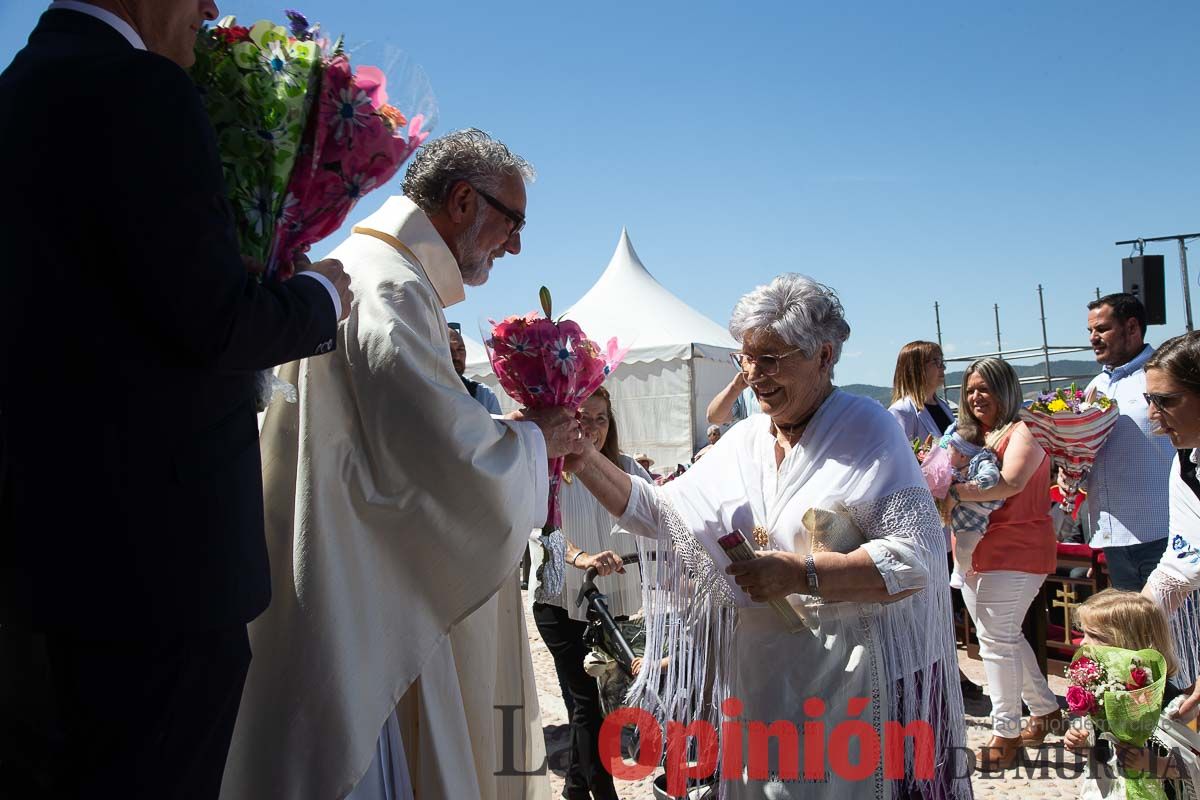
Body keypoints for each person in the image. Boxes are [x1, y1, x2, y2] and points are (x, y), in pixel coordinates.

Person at [0, 3, 352, 798]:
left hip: (35, 563)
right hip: (159, 574)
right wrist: (319, 296)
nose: (208, 9)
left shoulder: (18, 90)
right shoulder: (141, 91)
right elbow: (214, 321)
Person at [221, 130, 582, 800]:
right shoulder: (391, 286)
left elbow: (404, 434)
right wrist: (535, 440)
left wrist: (508, 432)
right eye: (514, 221)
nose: (517, 245)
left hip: (354, 565)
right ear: (464, 201)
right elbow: (436, 455)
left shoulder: (373, 271)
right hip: (362, 592)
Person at [567, 275, 969, 799]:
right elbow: (659, 511)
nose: (754, 375)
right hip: (759, 676)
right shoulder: (747, 439)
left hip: (846, 678)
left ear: (824, 355)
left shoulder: (868, 430)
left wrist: (799, 574)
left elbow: (914, 559)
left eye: (771, 359)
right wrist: (580, 454)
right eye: (746, 359)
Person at [529, 386, 650, 800]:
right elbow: (542, 533)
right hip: (561, 605)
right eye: (584, 418)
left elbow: (659, 517)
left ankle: (576, 787)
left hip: (611, 608)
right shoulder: (549, 472)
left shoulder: (629, 470)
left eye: (601, 419)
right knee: (588, 706)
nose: (593, 428)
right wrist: (583, 559)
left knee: (595, 704)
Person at [950, 358, 1061, 769]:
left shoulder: (1025, 430)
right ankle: (1045, 710)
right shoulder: (978, 436)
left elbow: (1010, 483)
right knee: (1003, 638)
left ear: (1006, 390)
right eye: (971, 389)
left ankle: (1006, 734)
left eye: (986, 388)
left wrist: (950, 491)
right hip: (986, 553)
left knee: (995, 643)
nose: (977, 396)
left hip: (1017, 550)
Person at [1063, 590, 1196, 796]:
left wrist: (1154, 763)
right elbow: (1102, 753)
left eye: (1095, 636)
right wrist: (1082, 744)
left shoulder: (1175, 706)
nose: (1083, 643)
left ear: (1129, 643)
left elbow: (1193, 761)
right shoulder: (1100, 693)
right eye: (1084, 633)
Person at [1085, 293, 1175, 591]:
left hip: (1164, 532)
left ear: (1132, 328)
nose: (1093, 338)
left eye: (1102, 329)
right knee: (1135, 637)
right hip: (1113, 536)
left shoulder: (1162, 375)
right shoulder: (1094, 387)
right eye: (1090, 331)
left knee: (1177, 633)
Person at [1139, 332, 1200, 711]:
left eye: (1166, 400)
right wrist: (1123, 629)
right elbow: (1178, 568)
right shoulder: (1185, 460)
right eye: (1149, 399)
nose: (1151, 415)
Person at [939, 426, 1004, 590]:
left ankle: (958, 573)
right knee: (962, 546)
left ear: (962, 455)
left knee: (965, 547)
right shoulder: (956, 468)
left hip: (974, 516)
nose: (946, 454)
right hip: (958, 515)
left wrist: (976, 483)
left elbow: (992, 475)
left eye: (949, 451)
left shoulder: (980, 462)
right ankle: (963, 569)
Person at [888, 340, 955, 445]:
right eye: (936, 361)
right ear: (917, 368)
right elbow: (900, 454)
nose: (943, 367)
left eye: (942, 361)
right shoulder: (902, 410)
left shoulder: (944, 405)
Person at [448, 324, 502, 414]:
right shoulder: (423, 393)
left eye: (460, 349)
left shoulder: (483, 394)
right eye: (449, 350)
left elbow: (497, 427)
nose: (456, 357)